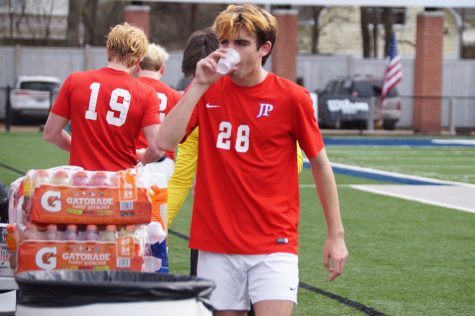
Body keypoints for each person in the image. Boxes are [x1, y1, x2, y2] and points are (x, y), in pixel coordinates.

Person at [158, 4, 348, 316]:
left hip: (274, 244)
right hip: (216, 244)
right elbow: (164, 141)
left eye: (241, 43)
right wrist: (199, 86)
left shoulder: (292, 98)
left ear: (264, 48)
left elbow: (320, 164)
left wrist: (336, 236)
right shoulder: (206, 90)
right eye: (225, 42)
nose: (229, 50)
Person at [43, 23, 163, 171]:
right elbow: (157, 148)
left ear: (108, 48)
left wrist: (79, 147)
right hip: (120, 184)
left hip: (82, 184)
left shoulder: (75, 81)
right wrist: (143, 157)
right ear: (138, 60)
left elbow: (50, 133)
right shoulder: (146, 93)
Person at [134, 43, 182, 180]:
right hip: (163, 162)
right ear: (162, 69)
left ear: (137, 66)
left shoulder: (129, 89)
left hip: (132, 158)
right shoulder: (175, 96)